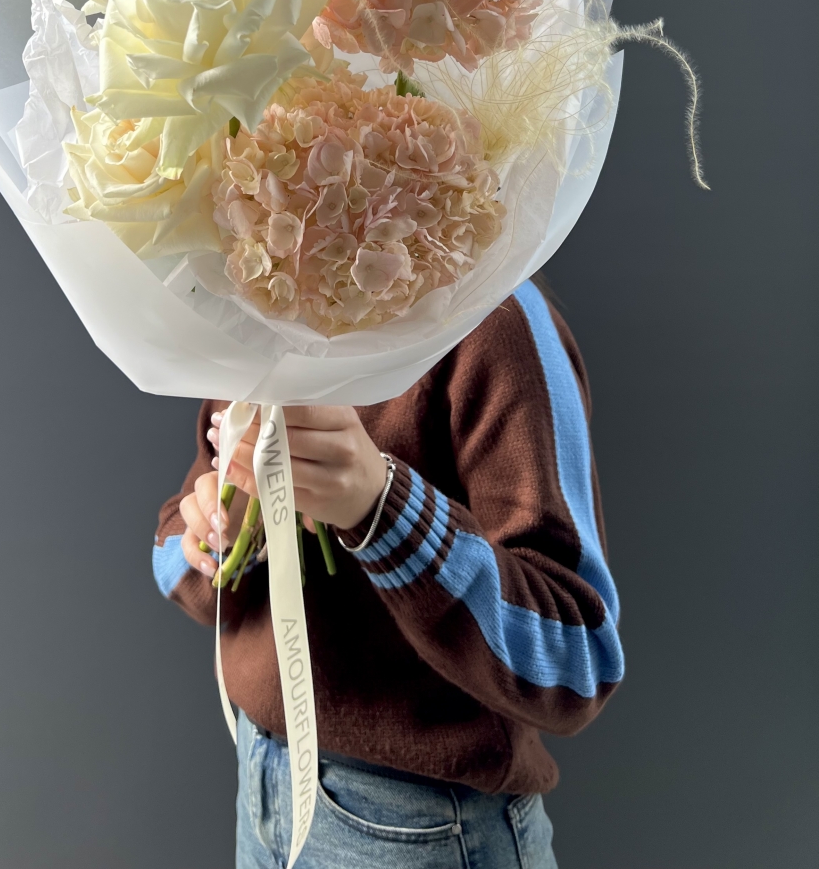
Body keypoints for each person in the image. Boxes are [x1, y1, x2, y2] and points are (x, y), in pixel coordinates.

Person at [153, 279, 624, 868]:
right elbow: (173, 564)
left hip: (420, 822)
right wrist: (229, 525)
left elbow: (579, 663)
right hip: (262, 782)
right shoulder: (265, 299)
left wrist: (380, 508)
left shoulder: (496, 321)